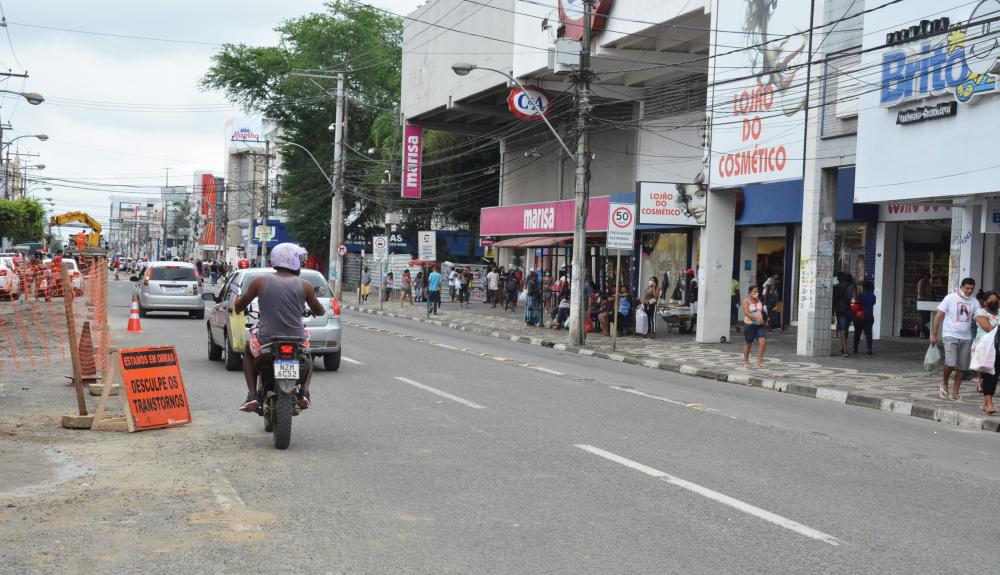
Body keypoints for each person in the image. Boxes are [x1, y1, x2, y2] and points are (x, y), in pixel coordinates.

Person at [234, 243, 325, 412]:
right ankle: (304, 393)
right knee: (308, 357)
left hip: (267, 339)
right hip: (297, 339)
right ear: (293, 262)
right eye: (300, 261)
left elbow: (240, 306)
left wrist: (238, 305)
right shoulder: (305, 286)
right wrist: (314, 309)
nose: (302, 264)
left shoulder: (259, 282)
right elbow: (319, 310)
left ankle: (252, 396)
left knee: (247, 352)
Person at [932, 277, 979, 401]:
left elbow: (979, 318)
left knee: (962, 366)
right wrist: (934, 334)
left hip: (966, 337)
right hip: (950, 334)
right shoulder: (950, 297)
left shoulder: (975, 302)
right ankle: (945, 383)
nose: (969, 291)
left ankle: (955, 392)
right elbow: (938, 316)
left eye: (972, 289)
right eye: (967, 288)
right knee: (951, 363)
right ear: (962, 287)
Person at [973, 291, 1000, 415]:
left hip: (998, 347)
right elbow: (988, 328)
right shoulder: (980, 312)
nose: (994, 302)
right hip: (985, 348)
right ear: (985, 302)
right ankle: (989, 404)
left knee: (994, 376)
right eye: (991, 300)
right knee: (990, 375)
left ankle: (985, 402)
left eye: (996, 300)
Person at [742, 285, 767, 369]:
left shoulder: (758, 300)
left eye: (757, 292)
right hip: (750, 324)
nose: (756, 293)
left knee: (763, 341)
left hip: (760, 325)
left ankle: (760, 361)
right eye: (754, 292)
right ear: (750, 292)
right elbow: (747, 313)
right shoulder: (746, 301)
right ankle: (746, 361)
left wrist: (765, 317)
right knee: (748, 343)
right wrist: (756, 319)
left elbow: (762, 310)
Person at [832, 273, 856, 357]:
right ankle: (843, 348)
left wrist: (833, 310)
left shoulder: (836, 287)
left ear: (839, 279)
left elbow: (833, 300)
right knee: (845, 329)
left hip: (839, 310)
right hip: (849, 310)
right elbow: (854, 298)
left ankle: (844, 349)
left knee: (842, 329)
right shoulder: (851, 286)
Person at [852, 281, 876, 355]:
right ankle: (869, 348)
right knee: (868, 333)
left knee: (857, 333)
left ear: (863, 287)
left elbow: (855, 304)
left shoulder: (860, 295)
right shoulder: (873, 296)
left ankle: (855, 348)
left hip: (859, 316)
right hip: (869, 316)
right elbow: (873, 303)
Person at [917, 271, 933, 339]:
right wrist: (927, 298)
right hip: (923, 300)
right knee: (924, 317)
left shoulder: (926, 281)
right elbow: (920, 292)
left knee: (926, 317)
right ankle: (922, 332)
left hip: (925, 300)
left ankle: (922, 331)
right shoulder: (922, 281)